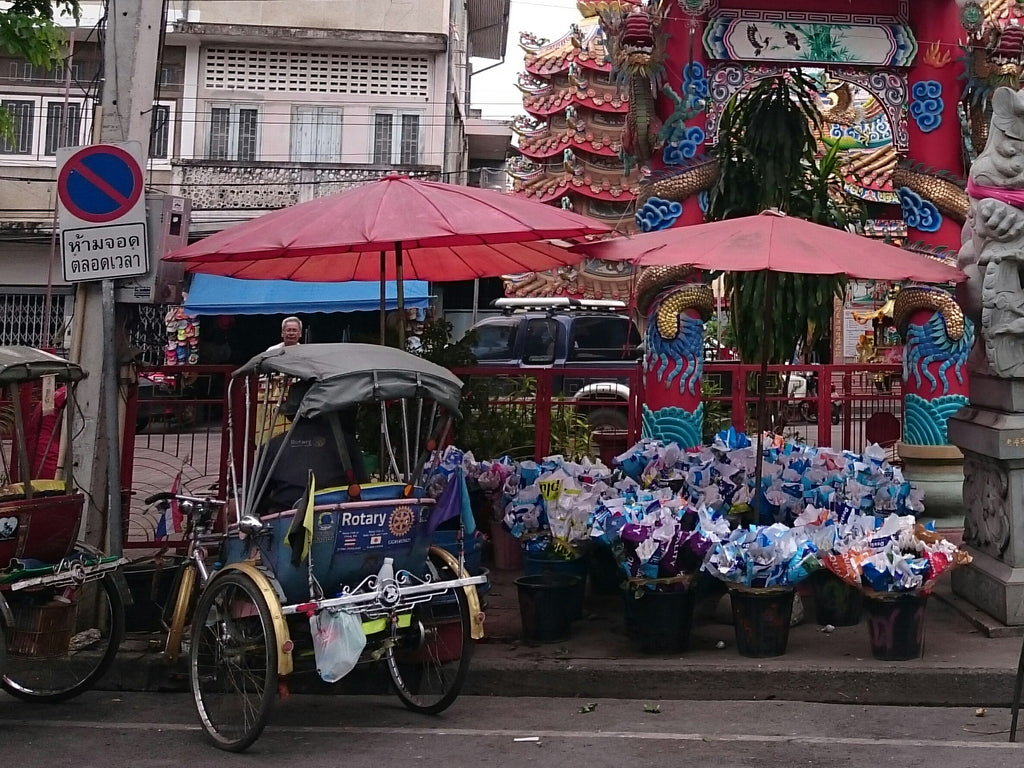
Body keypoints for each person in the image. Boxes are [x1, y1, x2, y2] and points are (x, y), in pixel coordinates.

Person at [250, 382, 367, 515]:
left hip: (285, 517)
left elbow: (254, 497)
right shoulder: (346, 442)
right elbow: (364, 487)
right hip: (336, 515)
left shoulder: (273, 446)